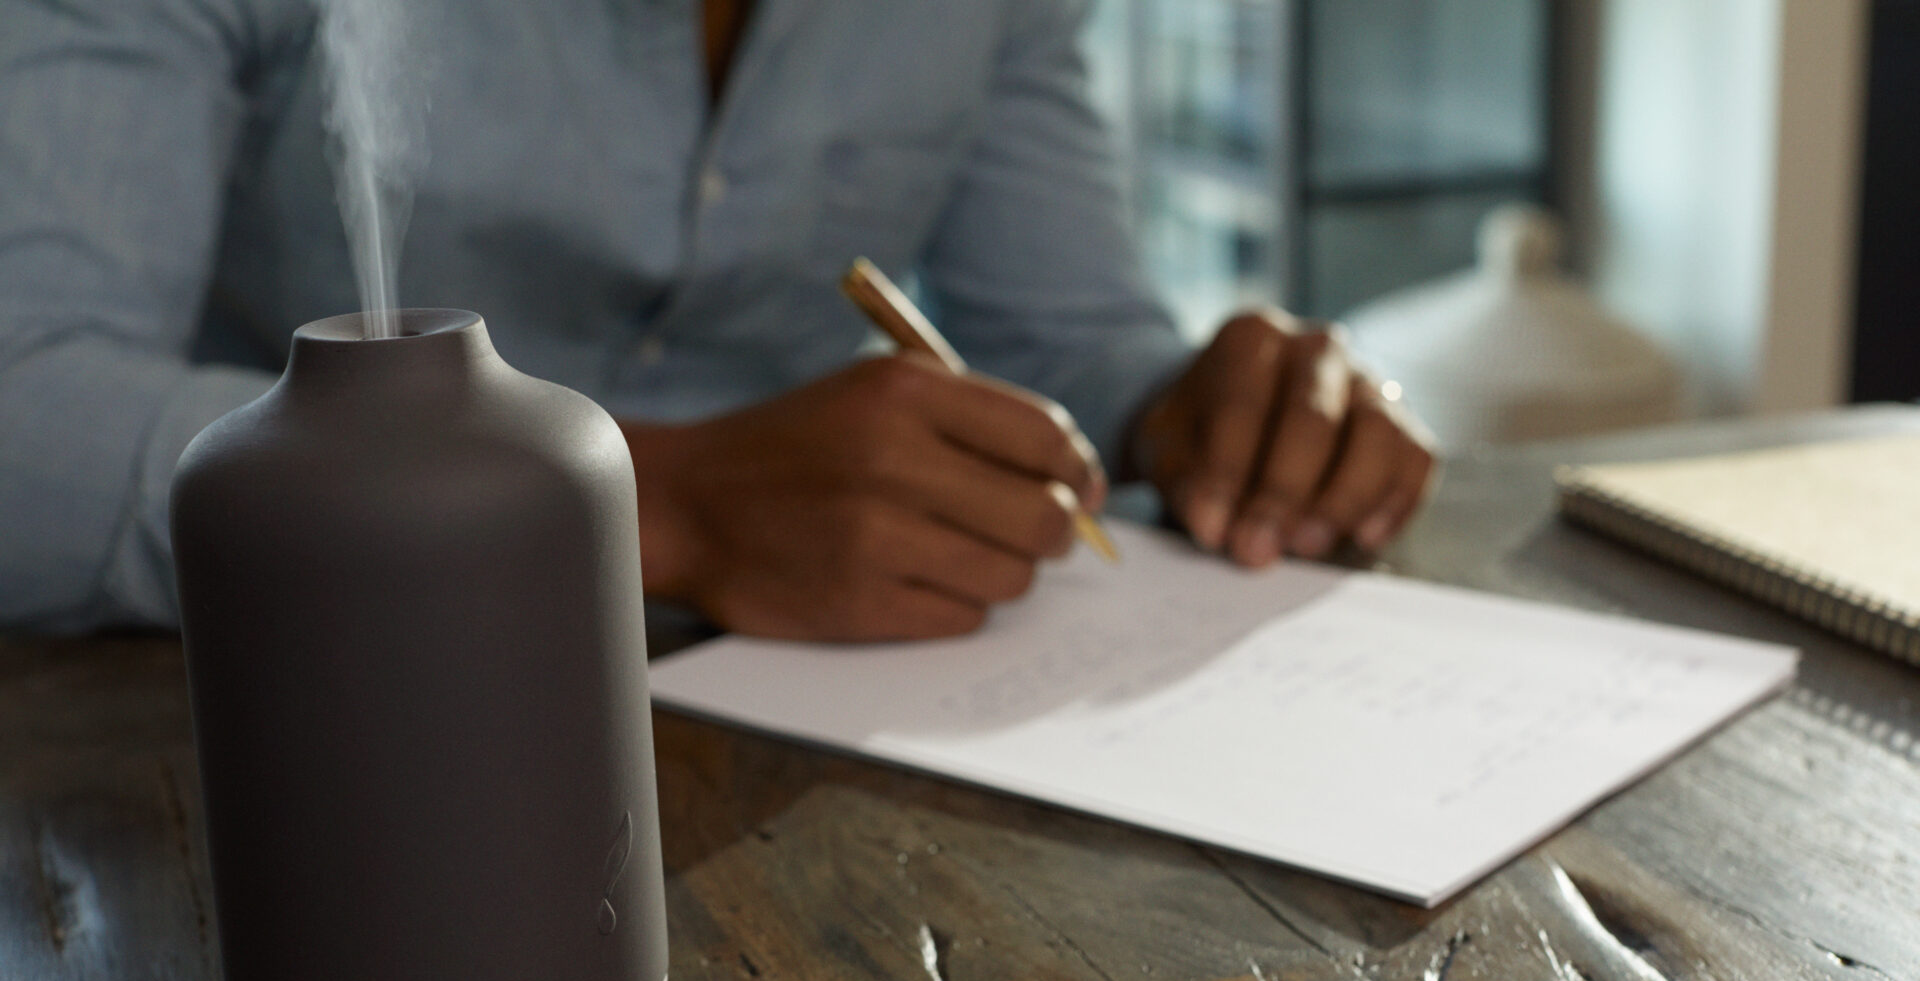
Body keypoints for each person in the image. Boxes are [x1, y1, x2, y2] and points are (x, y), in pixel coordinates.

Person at [0, 0, 1434, 640]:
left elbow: (1063, 339)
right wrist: (648, 507)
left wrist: (1196, 409)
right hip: (288, 744)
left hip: (849, 730)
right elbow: (27, 412)